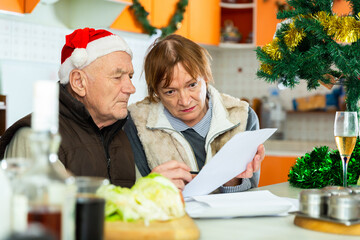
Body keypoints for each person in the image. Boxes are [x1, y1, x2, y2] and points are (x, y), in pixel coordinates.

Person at [124, 34, 265, 192]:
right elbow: (133, 192)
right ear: (156, 92)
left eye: (192, 85)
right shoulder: (136, 123)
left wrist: (232, 181)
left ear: (205, 76)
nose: (184, 101)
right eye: (170, 92)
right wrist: (154, 188)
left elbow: (251, 191)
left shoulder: (242, 116)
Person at [0, 28, 136, 187]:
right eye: (117, 77)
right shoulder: (33, 137)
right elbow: (44, 208)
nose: (131, 88)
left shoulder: (122, 134)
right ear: (79, 82)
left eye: (130, 77)